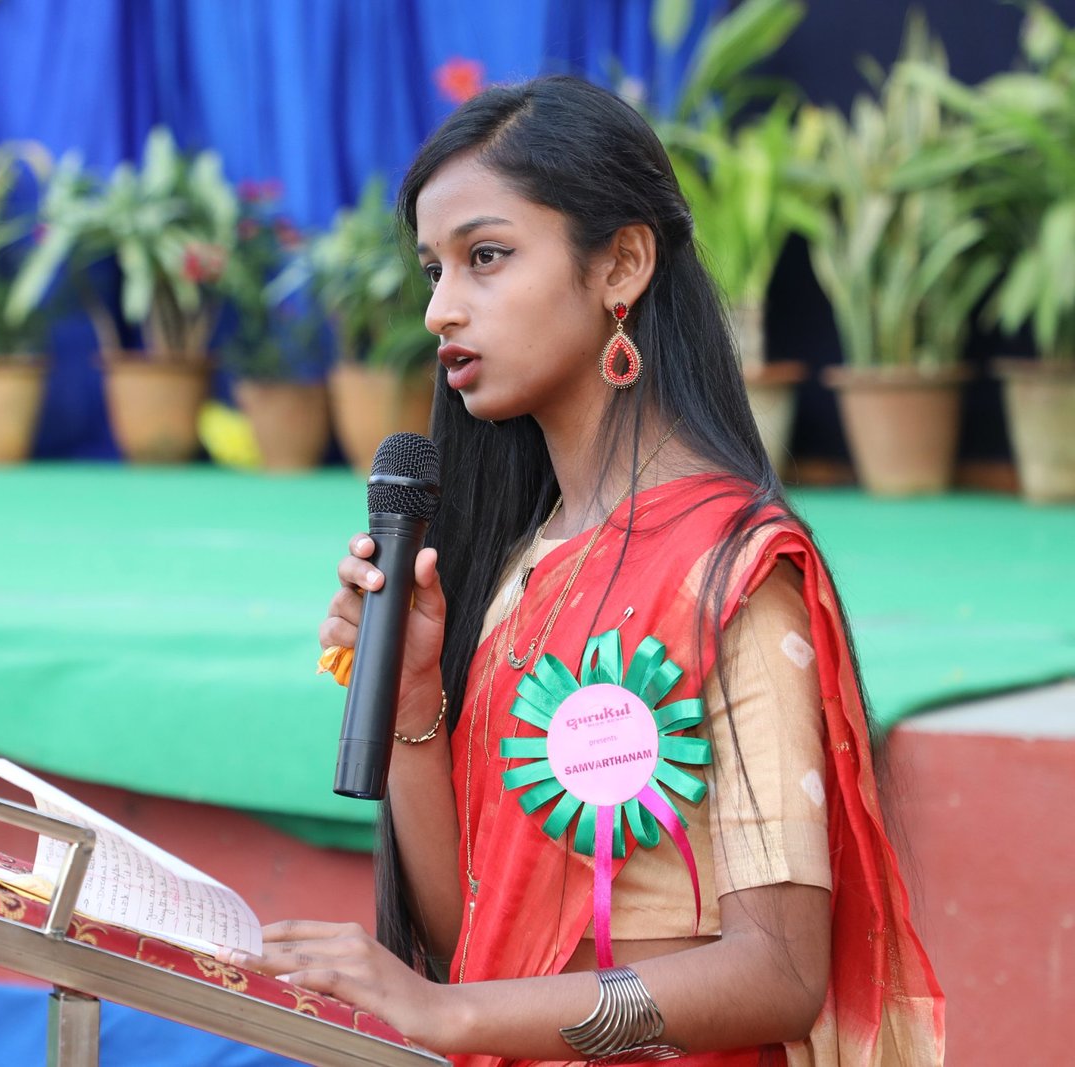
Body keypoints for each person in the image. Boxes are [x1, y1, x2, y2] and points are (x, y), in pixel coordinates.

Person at [215, 76, 943, 1066]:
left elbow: (779, 970)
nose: (440, 310)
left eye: (485, 257)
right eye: (432, 269)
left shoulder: (731, 568)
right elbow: (475, 939)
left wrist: (451, 1016)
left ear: (622, 264)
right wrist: (415, 707)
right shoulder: (522, 563)